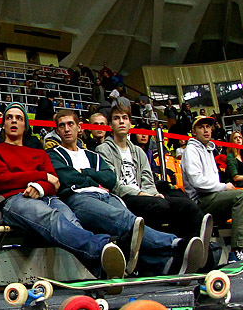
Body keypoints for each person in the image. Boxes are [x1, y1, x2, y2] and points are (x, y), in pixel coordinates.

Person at [48, 109, 205, 276]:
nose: (66, 129)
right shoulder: (53, 154)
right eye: (61, 126)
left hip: (107, 195)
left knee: (126, 228)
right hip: (79, 198)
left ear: (79, 128)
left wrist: (85, 173)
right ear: (57, 131)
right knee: (125, 220)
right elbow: (66, 178)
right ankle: (176, 244)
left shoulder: (92, 155)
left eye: (70, 124)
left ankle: (163, 264)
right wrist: (94, 177)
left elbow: (110, 178)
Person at [0, 102, 129, 280]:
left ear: (25, 125)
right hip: (15, 199)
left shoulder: (39, 153)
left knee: (71, 221)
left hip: (47, 196)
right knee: (52, 218)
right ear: (3, 124)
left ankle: (104, 271)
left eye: (19, 118)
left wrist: (39, 186)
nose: (14, 121)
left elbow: (55, 183)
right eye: (9, 118)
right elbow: (0, 180)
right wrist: (41, 177)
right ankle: (105, 245)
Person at [96, 104, 209, 242]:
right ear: (110, 125)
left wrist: (153, 193)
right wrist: (142, 194)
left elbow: (147, 179)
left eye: (125, 118)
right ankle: (169, 245)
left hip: (146, 195)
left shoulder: (138, 151)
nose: (121, 121)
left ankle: (192, 246)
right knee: (159, 206)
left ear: (130, 123)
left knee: (187, 205)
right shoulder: (103, 150)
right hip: (124, 197)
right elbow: (113, 182)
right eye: (116, 118)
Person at [181, 115, 243, 263]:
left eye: (208, 126)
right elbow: (197, 181)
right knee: (241, 196)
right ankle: (236, 251)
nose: (206, 130)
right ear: (194, 131)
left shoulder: (208, 150)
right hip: (201, 201)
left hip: (214, 197)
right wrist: (223, 187)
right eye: (201, 127)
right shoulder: (191, 150)